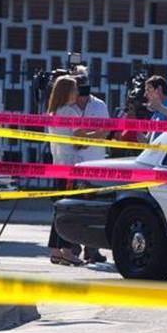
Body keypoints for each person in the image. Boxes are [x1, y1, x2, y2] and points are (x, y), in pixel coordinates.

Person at [69, 68, 111, 263]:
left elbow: (105, 132)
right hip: (72, 165)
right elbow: (73, 137)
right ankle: (73, 246)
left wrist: (84, 136)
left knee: (93, 208)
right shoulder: (68, 108)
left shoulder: (99, 106)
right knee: (73, 208)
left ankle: (91, 249)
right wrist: (90, 134)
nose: (80, 100)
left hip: (95, 165)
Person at [46, 76, 85, 266]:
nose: (77, 93)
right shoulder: (71, 112)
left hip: (58, 165)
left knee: (59, 209)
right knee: (70, 210)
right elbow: (79, 139)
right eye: (75, 90)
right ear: (67, 92)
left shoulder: (53, 113)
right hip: (71, 167)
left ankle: (57, 250)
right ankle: (66, 251)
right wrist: (101, 133)